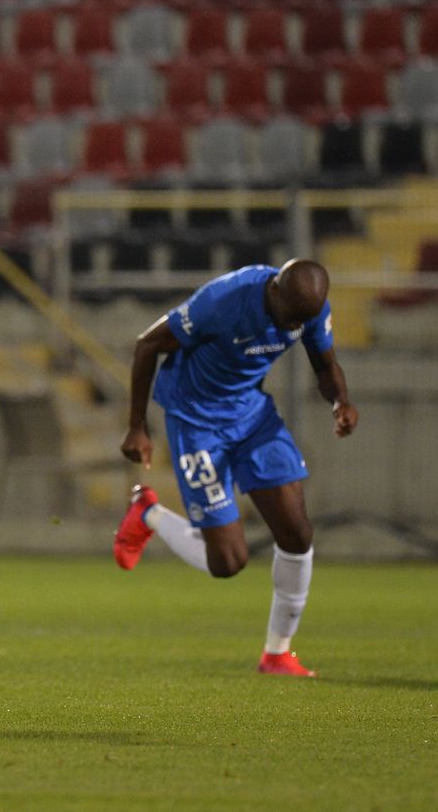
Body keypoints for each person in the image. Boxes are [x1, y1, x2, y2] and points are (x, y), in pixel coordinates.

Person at [112, 259, 358, 677]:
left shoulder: (308, 308)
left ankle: (277, 654)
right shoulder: (223, 300)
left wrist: (340, 401)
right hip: (196, 421)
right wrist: (137, 426)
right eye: (292, 316)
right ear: (274, 293)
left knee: (297, 533)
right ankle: (147, 512)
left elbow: (324, 363)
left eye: (304, 319)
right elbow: (147, 344)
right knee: (227, 562)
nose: (294, 326)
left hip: (251, 415)